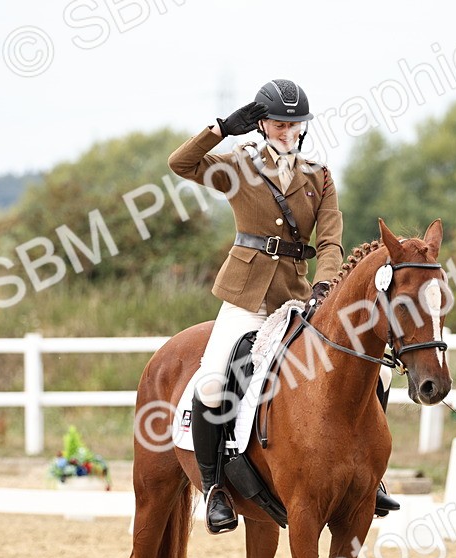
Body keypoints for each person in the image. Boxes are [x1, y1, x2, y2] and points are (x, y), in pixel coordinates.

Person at [168, 78, 398, 534]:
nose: (287, 131)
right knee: (215, 382)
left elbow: (329, 240)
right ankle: (215, 487)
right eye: (278, 123)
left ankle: (371, 475)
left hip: (300, 296)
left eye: (295, 125)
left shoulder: (320, 176)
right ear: (261, 124)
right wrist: (220, 129)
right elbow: (182, 164)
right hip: (247, 297)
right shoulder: (238, 167)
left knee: (382, 371)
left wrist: (326, 285)